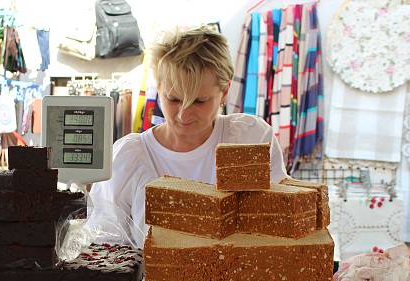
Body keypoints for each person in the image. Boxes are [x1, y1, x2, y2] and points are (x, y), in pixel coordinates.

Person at [89, 28, 287, 246]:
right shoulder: (128, 158)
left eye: (199, 101)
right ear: (159, 87)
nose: (184, 114)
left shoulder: (251, 139)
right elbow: (104, 244)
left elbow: (277, 223)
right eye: (173, 99)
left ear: (225, 91)